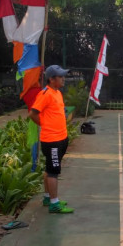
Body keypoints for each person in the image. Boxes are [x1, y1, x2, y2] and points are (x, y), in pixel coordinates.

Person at [29, 65, 74, 214]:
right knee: (53, 171)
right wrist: (45, 124)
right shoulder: (45, 94)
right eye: (60, 77)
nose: (63, 79)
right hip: (52, 140)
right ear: (51, 79)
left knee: (50, 169)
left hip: (61, 137)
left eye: (63, 76)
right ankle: (54, 204)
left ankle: (48, 197)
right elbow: (33, 113)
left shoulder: (57, 93)